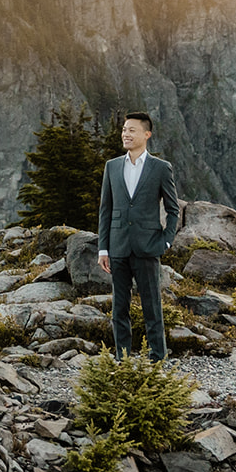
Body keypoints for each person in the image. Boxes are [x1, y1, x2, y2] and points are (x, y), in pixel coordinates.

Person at [96, 111, 180, 360]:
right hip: (118, 247)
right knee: (119, 309)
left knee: (152, 308)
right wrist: (103, 248)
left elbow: (173, 209)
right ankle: (122, 360)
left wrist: (166, 240)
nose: (126, 134)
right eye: (124, 130)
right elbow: (106, 210)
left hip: (148, 247)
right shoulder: (112, 166)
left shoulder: (161, 168)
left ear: (146, 134)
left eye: (131, 130)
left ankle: (157, 359)